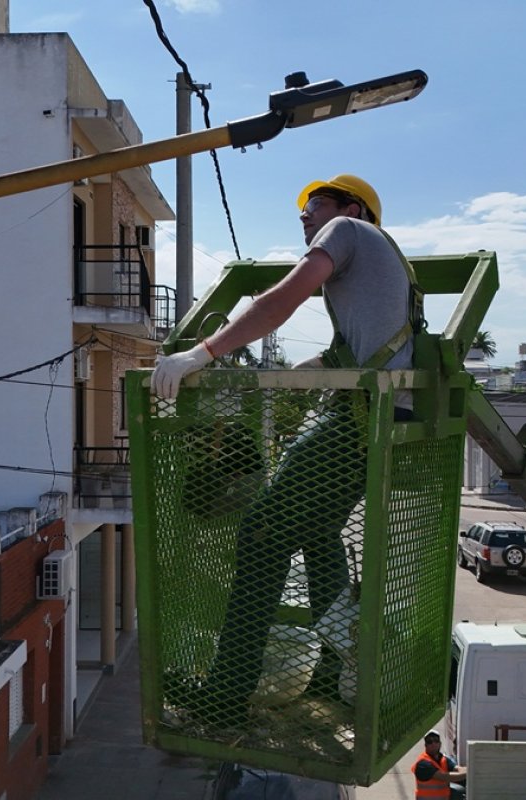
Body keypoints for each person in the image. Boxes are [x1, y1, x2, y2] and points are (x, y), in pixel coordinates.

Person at [152, 174, 420, 725]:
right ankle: (332, 670)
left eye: (314, 205)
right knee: (317, 536)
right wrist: (310, 370)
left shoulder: (348, 231)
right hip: (380, 421)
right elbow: (364, 349)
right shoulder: (386, 266)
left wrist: (199, 355)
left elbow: (280, 302)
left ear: (352, 208)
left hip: (354, 420)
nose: (305, 216)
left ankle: (224, 696)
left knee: (261, 537)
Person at [413, 730, 467, 799]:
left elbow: (458, 768)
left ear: (440, 743)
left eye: (436, 740)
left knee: (460, 791)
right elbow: (445, 777)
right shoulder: (423, 764)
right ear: (426, 745)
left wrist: (467, 770)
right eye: (430, 742)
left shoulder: (443, 759)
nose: (433, 744)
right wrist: (467, 773)